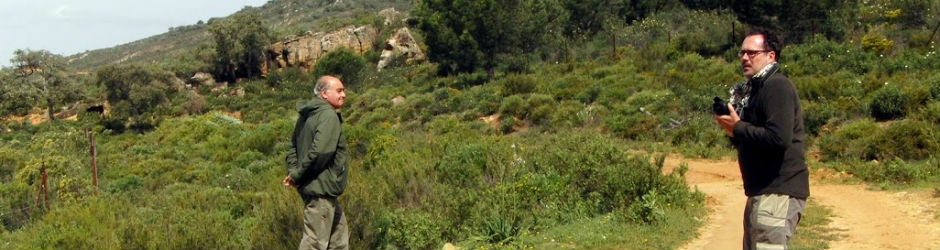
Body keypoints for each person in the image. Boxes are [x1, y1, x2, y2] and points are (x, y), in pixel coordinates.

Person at [714, 29, 810, 250]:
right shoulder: (757, 89)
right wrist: (733, 130)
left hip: (777, 191)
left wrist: (738, 127)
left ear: (771, 55)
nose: (745, 58)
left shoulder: (777, 86)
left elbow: (778, 138)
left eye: (752, 52)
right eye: (742, 53)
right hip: (764, 191)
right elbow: (758, 140)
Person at [284, 75, 350, 250]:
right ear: (324, 93)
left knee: (338, 240)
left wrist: (294, 173)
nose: (344, 94)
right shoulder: (328, 116)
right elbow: (321, 152)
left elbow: (292, 148)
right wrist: (296, 175)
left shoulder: (306, 115)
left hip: (322, 190)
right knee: (314, 243)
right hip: (321, 189)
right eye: (339, 91)